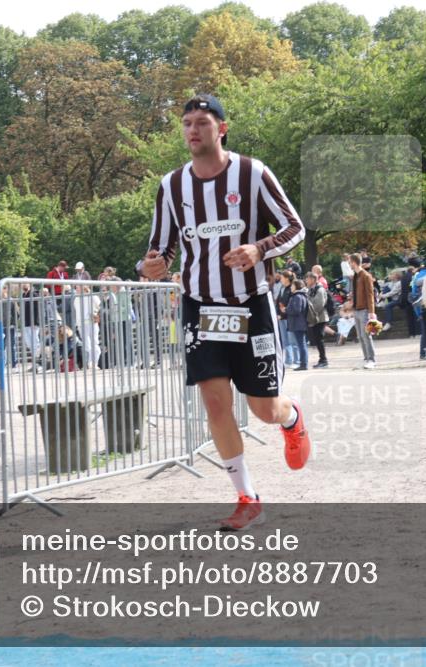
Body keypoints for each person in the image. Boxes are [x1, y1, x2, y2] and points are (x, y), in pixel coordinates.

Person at [138, 93, 310, 531]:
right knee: (215, 401)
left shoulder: (253, 173)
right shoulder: (171, 185)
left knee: (263, 409)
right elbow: (162, 247)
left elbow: (295, 228)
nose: (193, 130)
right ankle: (247, 497)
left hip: (251, 303)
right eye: (187, 123)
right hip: (201, 306)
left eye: (202, 122)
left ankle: (291, 419)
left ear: (222, 128)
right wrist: (152, 265)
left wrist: (259, 248)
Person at [348, 253, 378, 369]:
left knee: (366, 335)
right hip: (357, 309)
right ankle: (366, 358)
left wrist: (371, 311)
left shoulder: (366, 276)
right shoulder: (355, 276)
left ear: (354, 262)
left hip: (365, 310)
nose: (349, 264)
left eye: (350, 262)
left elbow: (370, 295)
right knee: (360, 336)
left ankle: (372, 359)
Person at [72, 285, 102, 369]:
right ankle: (90, 363)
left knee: (94, 343)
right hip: (81, 323)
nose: (76, 289)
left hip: (91, 322)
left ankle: (94, 363)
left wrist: (96, 315)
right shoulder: (76, 298)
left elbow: (100, 307)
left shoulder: (93, 296)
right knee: (87, 345)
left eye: (77, 288)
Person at [304, 273, 329, 368]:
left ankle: (324, 360)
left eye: (308, 279)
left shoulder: (320, 289)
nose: (306, 281)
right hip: (314, 318)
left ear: (313, 279)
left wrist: (311, 313)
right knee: (317, 340)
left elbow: (319, 304)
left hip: (320, 318)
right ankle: (322, 359)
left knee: (319, 339)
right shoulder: (310, 289)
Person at [276, 271, 299, 369]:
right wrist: (278, 314)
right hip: (280, 317)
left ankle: (297, 360)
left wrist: (283, 315)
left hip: (289, 318)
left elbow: (291, 304)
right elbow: (279, 301)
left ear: (286, 278)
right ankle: (288, 360)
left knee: (293, 341)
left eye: (282, 277)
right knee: (285, 341)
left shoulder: (291, 289)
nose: (280, 279)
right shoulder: (282, 288)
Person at [285, 279, 309, 371]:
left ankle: (304, 364)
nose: (291, 287)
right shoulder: (299, 296)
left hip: (298, 324)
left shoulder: (297, 296)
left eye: (292, 286)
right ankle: (303, 363)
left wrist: (286, 310)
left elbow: (297, 310)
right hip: (299, 323)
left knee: (301, 344)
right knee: (301, 344)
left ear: (296, 286)